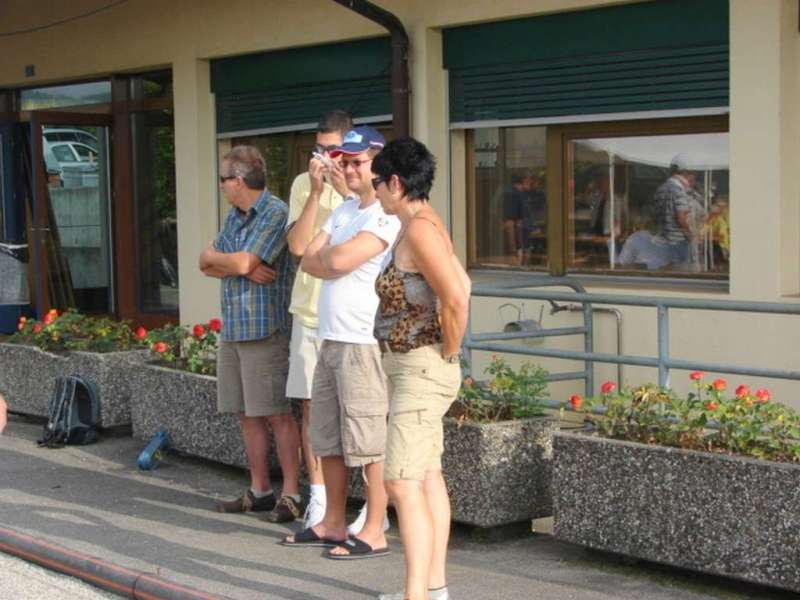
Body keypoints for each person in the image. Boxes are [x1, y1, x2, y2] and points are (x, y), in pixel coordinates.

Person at [282, 126, 399, 559]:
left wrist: (324, 260)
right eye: (344, 161)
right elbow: (301, 251)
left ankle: (374, 527)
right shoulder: (345, 210)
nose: (347, 169)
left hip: (362, 341)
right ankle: (332, 521)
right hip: (330, 336)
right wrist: (315, 194)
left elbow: (336, 260)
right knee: (328, 437)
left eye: (357, 161)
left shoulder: (385, 215)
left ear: (379, 166)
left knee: (368, 440)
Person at [371, 138, 470, 600]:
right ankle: (433, 590)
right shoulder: (421, 224)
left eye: (377, 183)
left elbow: (456, 295)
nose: (375, 193)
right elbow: (461, 282)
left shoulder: (421, 230)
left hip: (421, 368)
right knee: (426, 475)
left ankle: (417, 597)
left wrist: (447, 349)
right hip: (417, 366)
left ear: (395, 182)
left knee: (401, 481)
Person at [199, 145, 302, 523]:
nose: (222, 186)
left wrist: (238, 264)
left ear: (238, 180)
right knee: (246, 414)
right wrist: (240, 267)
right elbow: (203, 262)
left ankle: (292, 493)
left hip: (264, 329)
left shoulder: (274, 212)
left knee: (277, 414)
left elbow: (237, 260)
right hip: (235, 328)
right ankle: (259, 490)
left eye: (223, 179)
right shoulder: (234, 217)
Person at [285, 109, 352, 530]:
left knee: (355, 408)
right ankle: (319, 497)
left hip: (351, 314)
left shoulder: (366, 178)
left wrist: (345, 191)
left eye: (332, 150)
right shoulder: (301, 183)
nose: (324, 159)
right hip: (309, 310)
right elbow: (296, 246)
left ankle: (364, 504)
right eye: (319, 149)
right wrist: (314, 193)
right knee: (311, 406)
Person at [654, 154, 698, 267]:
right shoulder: (679, 190)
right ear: (684, 173)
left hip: (663, 241)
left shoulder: (660, 189)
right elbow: (681, 218)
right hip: (678, 242)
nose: (693, 177)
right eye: (692, 173)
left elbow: (657, 215)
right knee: (682, 275)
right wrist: (691, 235)